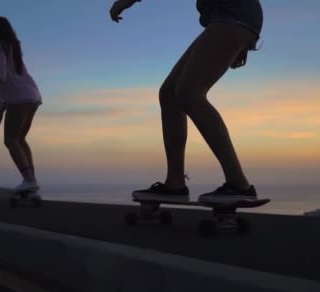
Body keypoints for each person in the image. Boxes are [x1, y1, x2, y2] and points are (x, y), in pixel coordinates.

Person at [109, 0, 263, 204]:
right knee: (170, 94)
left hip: (234, 15)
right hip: (229, 17)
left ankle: (239, 184)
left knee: (190, 93)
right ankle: (175, 183)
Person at [0, 16, 43, 192]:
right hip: (32, 95)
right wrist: (2, 110)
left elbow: (0, 68)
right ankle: (31, 180)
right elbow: (16, 78)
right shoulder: (14, 46)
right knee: (20, 139)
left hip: (19, 97)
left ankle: (30, 180)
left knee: (10, 140)